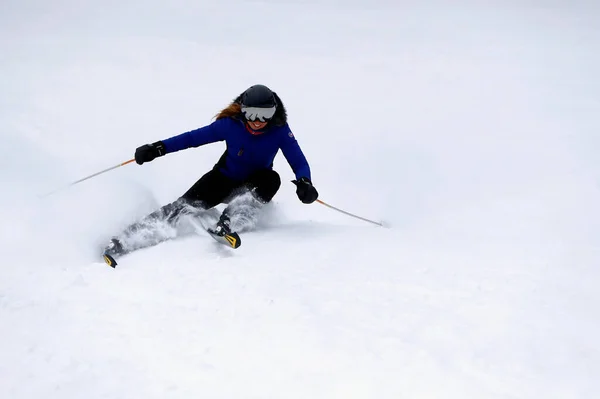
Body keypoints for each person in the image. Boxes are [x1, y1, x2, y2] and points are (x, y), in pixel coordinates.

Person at [103, 84, 319, 258]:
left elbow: (298, 160)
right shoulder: (230, 125)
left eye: (264, 115)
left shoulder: (280, 131)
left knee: (272, 179)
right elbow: (191, 138)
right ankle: (126, 240)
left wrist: (304, 182)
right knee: (183, 206)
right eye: (251, 114)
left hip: (255, 183)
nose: (257, 121)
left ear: (273, 114)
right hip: (222, 179)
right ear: (242, 110)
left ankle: (228, 222)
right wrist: (157, 148)